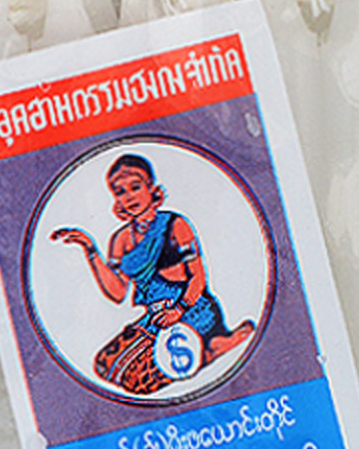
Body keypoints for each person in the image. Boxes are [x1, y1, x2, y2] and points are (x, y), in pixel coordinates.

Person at [51, 153, 254, 395]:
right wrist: (90, 249)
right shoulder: (121, 239)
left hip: (191, 309)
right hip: (155, 316)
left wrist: (178, 310)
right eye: (120, 191)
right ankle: (207, 348)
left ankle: (213, 348)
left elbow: (198, 278)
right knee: (106, 366)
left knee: (138, 381)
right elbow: (117, 293)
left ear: (151, 188)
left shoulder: (175, 225)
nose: (129, 197)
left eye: (135, 187)